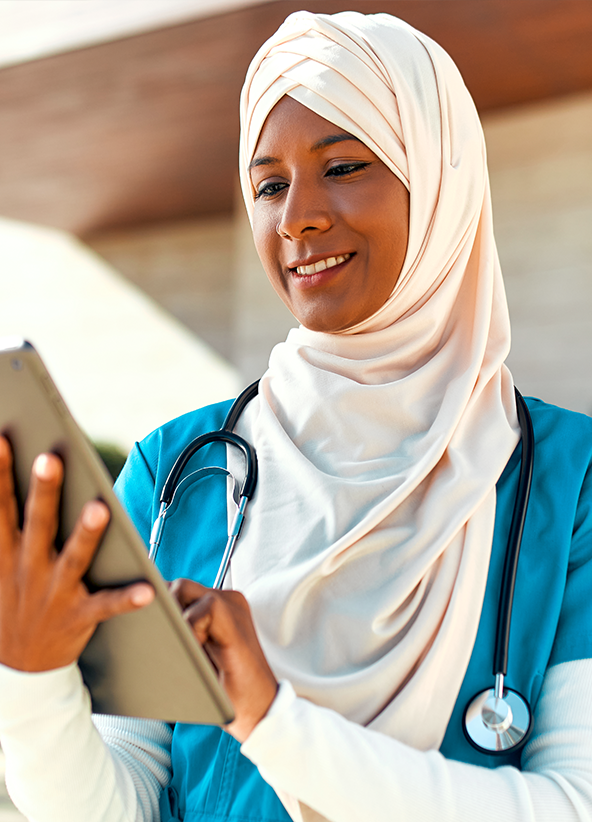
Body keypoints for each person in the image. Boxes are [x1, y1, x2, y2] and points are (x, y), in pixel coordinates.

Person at [1, 9, 592, 822]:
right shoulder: (176, 471)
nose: (296, 218)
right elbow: (118, 805)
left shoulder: (571, 481)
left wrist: (275, 723)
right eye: (269, 184)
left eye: (343, 166)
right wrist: (29, 677)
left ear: (441, 179)